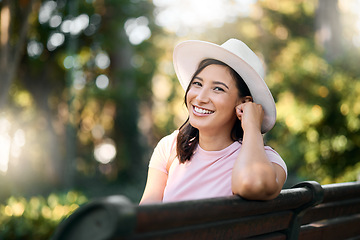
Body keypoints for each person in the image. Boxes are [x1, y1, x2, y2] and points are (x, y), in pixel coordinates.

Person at [140, 38, 287, 204]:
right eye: (197, 83)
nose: (200, 97)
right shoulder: (170, 148)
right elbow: (145, 216)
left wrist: (252, 126)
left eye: (218, 88)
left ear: (245, 103)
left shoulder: (268, 160)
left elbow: (253, 185)